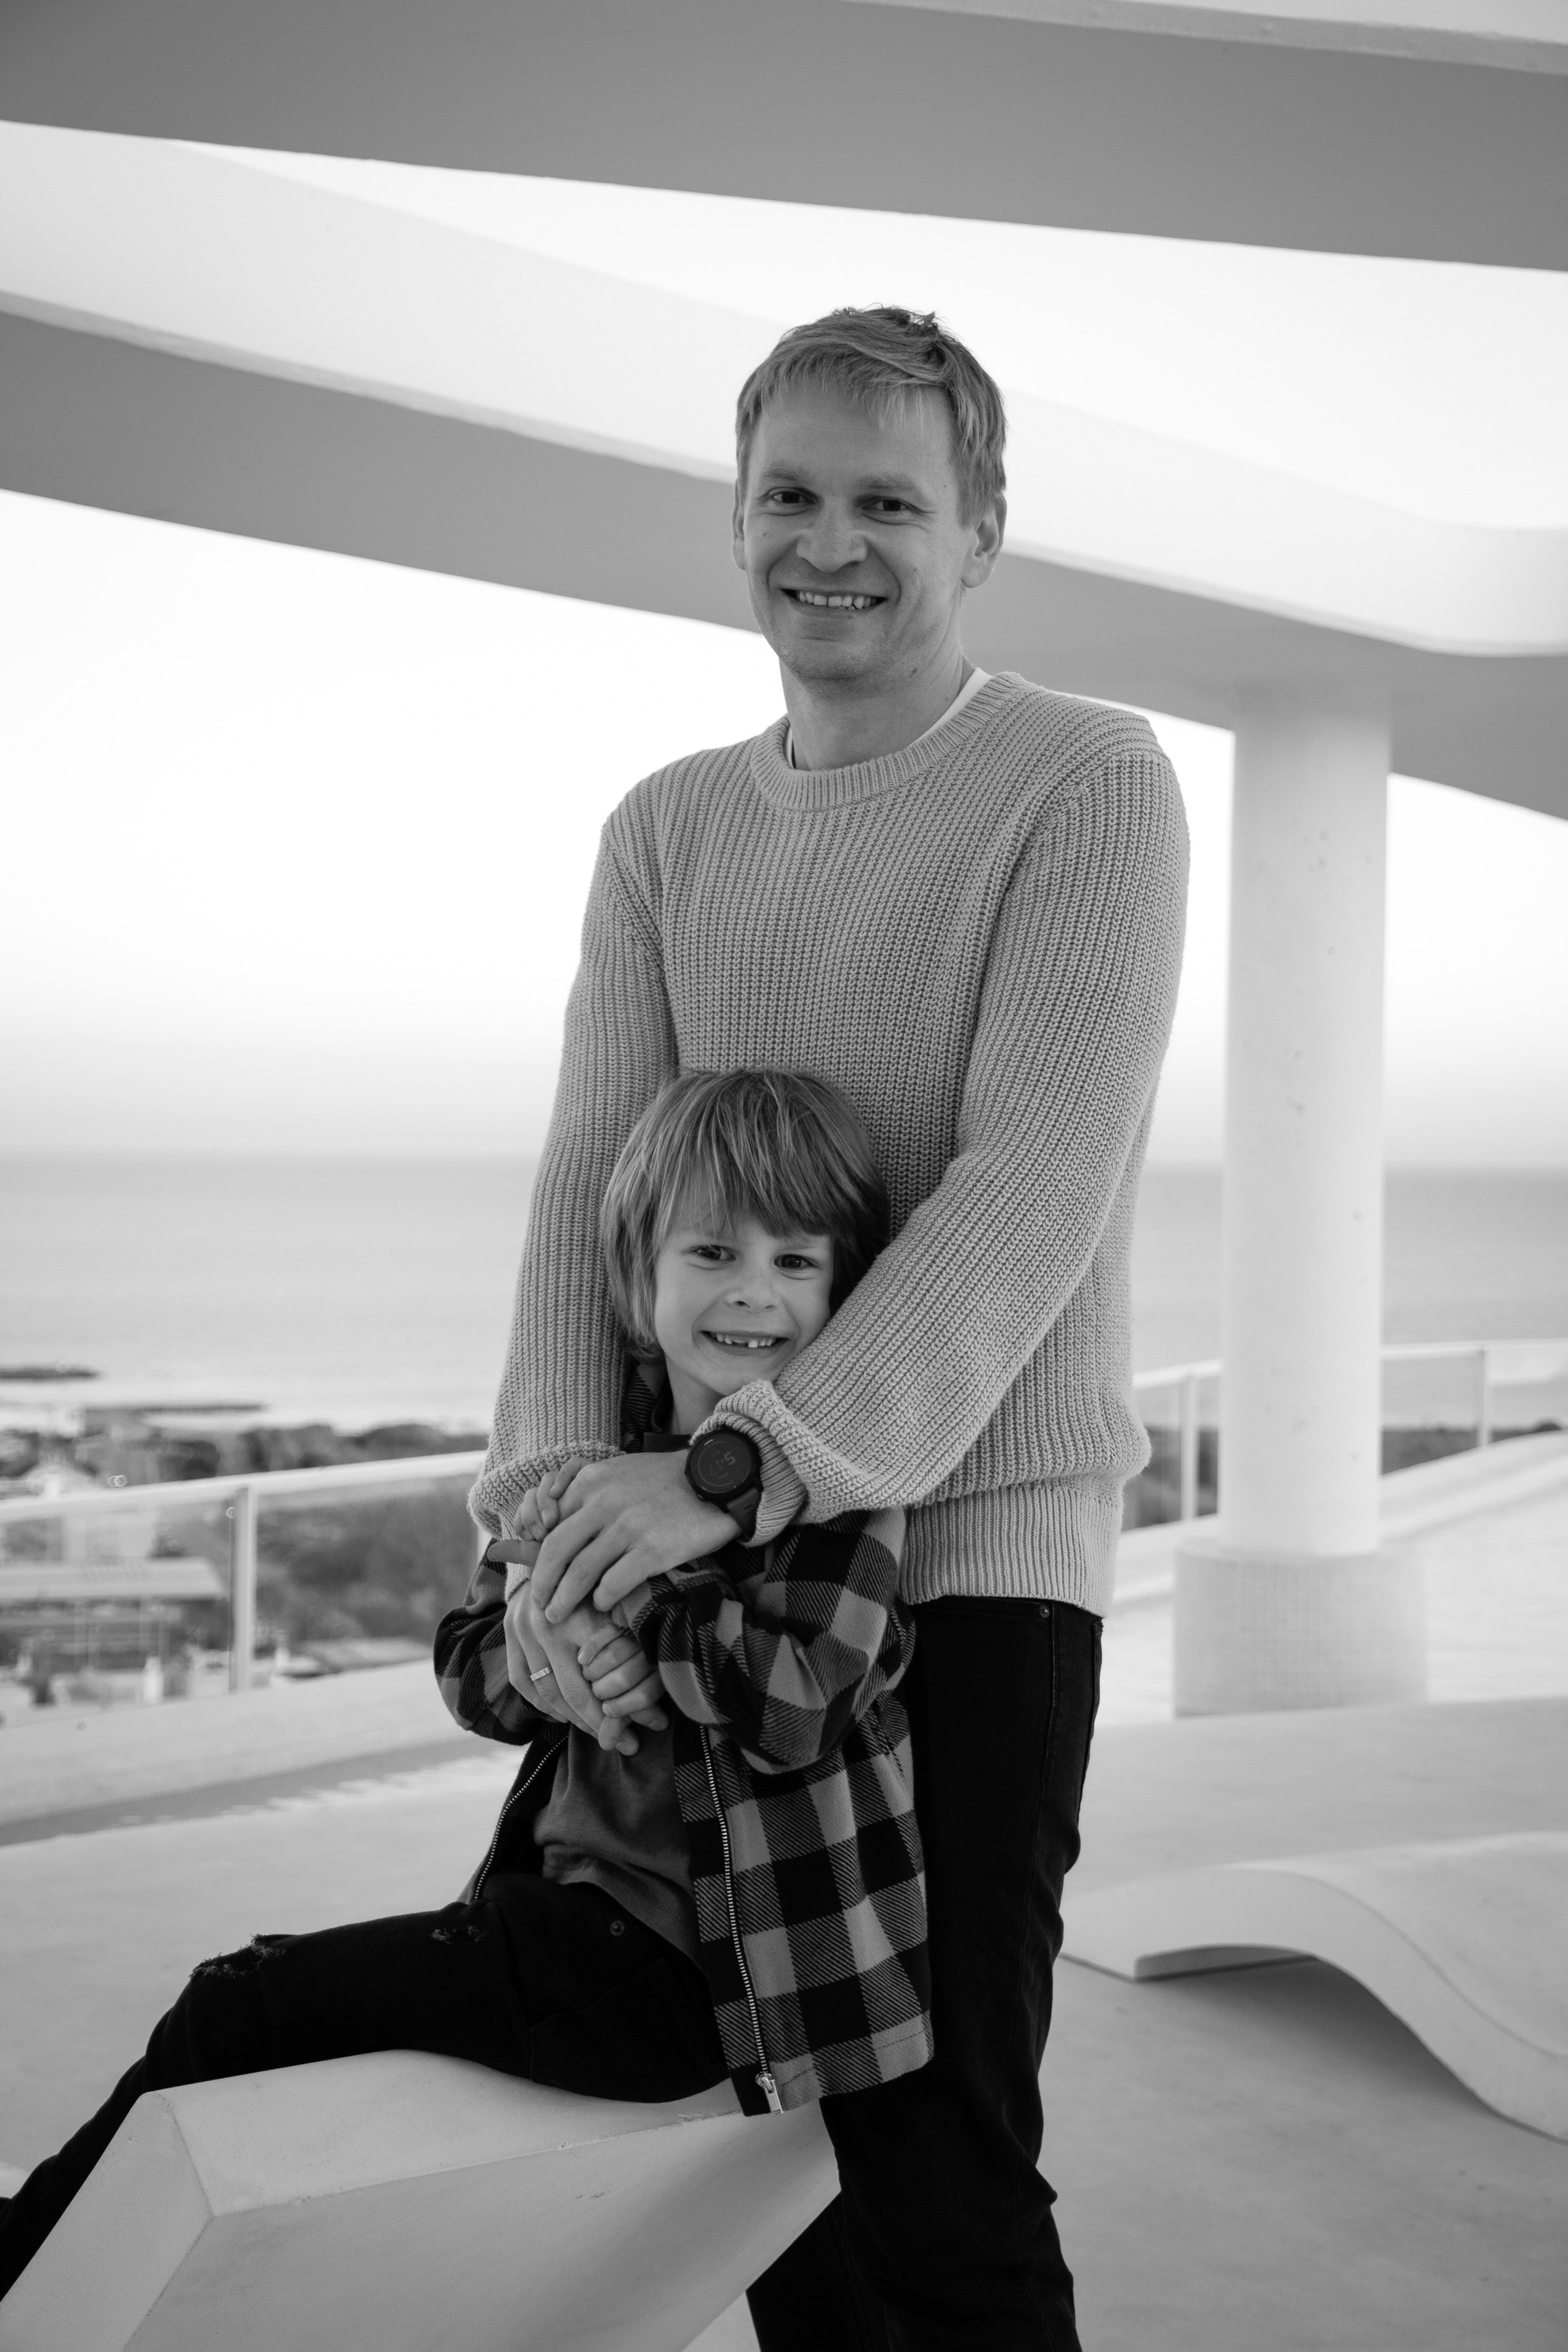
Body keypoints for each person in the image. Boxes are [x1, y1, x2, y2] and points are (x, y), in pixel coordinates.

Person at [482, 306, 1189, 2351]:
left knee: (932, 2168)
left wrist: (733, 1470)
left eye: (891, 498)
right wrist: (549, 1532)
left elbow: (1033, 1185)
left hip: (966, 1578)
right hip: (688, 1590)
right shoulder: (668, 827)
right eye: (789, 492)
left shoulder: (1090, 783)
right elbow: (580, 1187)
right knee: (757, 2159)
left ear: (979, 526)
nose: (834, 541)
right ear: (735, 518)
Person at [0, 1066, 924, 2303]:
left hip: (698, 1976)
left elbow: (796, 1702)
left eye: (794, 1261)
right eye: (711, 1251)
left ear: (838, 1290)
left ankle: (19, 2265)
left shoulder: (840, 1497)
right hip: (565, 1924)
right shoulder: (596, 1461)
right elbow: (472, 1673)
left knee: (242, 2003)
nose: (752, 1288)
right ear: (638, 1281)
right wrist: (557, 1645)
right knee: (254, 2017)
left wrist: (631, 1598)